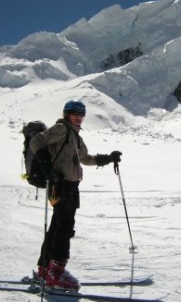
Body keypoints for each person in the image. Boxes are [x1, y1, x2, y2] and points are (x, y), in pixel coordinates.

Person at [30, 100, 122, 291]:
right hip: (61, 184)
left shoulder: (74, 135)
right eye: (75, 114)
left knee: (58, 225)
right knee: (64, 227)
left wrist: (108, 158)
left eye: (81, 114)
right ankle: (55, 272)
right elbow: (36, 141)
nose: (79, 117)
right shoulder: (61, 129)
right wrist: (47, 167)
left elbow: (86, 159)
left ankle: (45, 268)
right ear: (67, 114)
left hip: (68, 186)